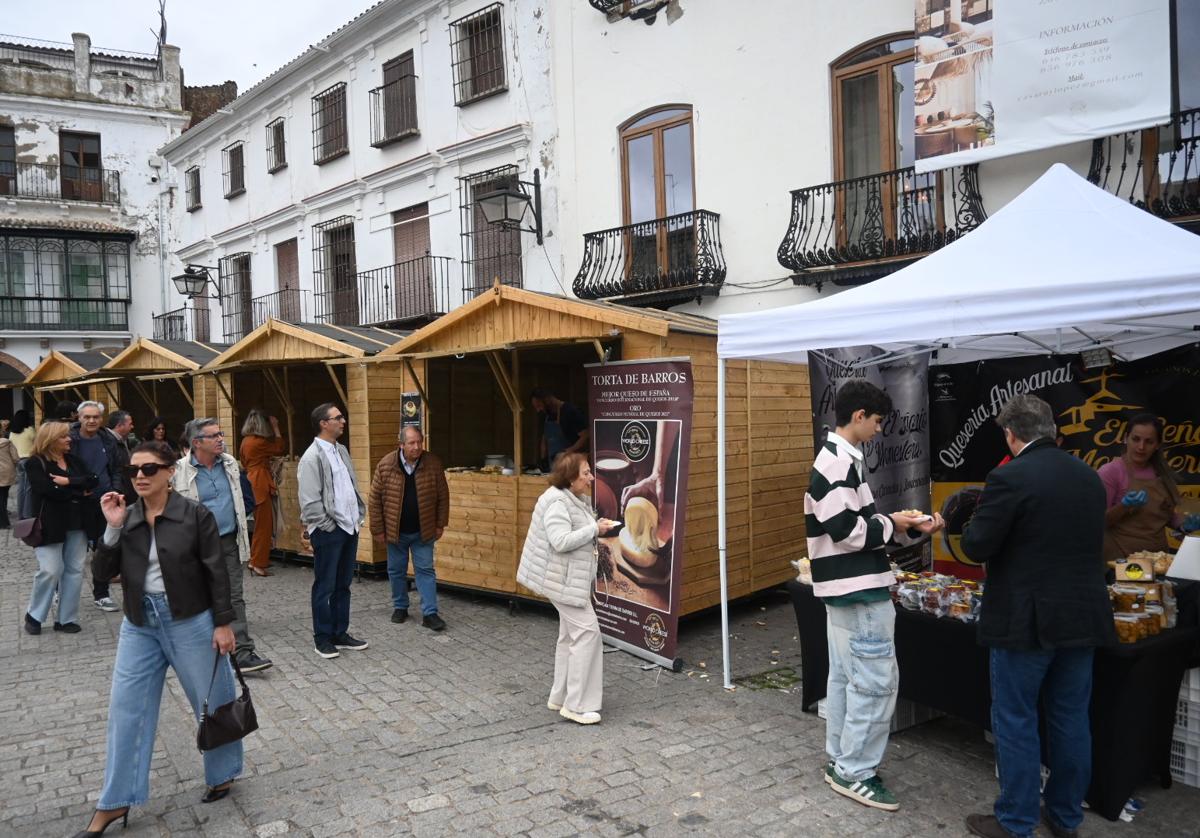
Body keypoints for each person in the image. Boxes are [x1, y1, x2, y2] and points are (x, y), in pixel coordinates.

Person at [961, 394, 1116, 838]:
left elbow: (977, 545)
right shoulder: (1089, 477)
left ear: (1011, 435)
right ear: (1052, 430)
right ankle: (1065, 817)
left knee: (1016, 719)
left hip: (1026, 621)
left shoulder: (1009, 476)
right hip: (1082, 615)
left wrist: (967, 524)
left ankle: (1016, 821)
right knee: (1071, 718)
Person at [74, 441, 242, 836]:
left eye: (149, 468)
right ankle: (115, 801)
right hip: (139, 623)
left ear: (170, 471)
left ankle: (222, 773)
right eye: (133, 470)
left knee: (214, 698)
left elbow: (216, 571)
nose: (140, 476)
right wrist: (112, 527)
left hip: (190, 619)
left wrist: (223, 623)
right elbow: (102, 573)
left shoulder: (195, 514)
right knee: (126, 708)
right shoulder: (128, 516)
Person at [804, 380, 943, 812]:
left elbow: (851, 526)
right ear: (859, 415)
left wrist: (898, 523)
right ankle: (853, 771)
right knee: (875, 685)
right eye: (878, 421)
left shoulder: (840, 460)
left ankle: (842, 761)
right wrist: (894, 523)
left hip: (850, 590)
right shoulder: (835, 463)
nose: (880, 429)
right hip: (859, 591)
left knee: (848, 680)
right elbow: (847, 531)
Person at [517, 453, 616, 725]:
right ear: (571, 478)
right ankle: (577, 706)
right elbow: (560, 541)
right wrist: (594, 529)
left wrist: (595, 527)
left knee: (570, 636)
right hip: (562, 582)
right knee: (588, 633)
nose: (591, 477)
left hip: (566, 580)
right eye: (586, 473)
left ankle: (560, 697)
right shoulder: (557, 502)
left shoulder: (570, 497)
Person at [172, 419, 273, 674]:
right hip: (196, 545)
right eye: (214, 436)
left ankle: (243, 652)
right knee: (200, 596)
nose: (220, 439)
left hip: (228, 540)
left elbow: (244, 496)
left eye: (221, 434)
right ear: (197, 442)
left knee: (234, 597)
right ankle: (205, 653)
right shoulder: (178, 471)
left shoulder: (229, 463)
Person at [298, 403, 368, 660]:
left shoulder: (341, 450)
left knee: (343, 584)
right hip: (329, 530)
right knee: (325, 586)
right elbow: (309, 501)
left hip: (349, 527)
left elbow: (349, 486)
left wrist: (357, 517)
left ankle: (340, 632)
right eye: (338, 418)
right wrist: (328, 526)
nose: (343, 421)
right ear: (323, 424)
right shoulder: (311, 457)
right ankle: (322, 638)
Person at [369, 426, 450, 631]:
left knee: (425, 570)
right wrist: (377, 529)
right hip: (395, 531)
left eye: (419, 442)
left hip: (424, 530)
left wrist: (440, 524)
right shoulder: (386, 465)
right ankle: (400, 607)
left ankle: (430, 613)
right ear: (401, 445)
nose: (417, 447)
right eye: (412, 443)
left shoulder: (433, 463)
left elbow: (443, 496)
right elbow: (374, 499)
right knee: (396, 571)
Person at [22, 421, 99, 635]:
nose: (69, 439)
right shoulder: (35, 463)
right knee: (50, 570)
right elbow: (46, 490)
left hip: (78, 523)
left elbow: (93, 480)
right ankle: (34, 615)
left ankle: (66, 619)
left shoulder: (74, 460)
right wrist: (78, 490)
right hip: (49, 525)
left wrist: (67, 482)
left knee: (74, 571)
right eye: (64, 436)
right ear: (51, 440)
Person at [1098, 413, 1198, 561]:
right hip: (1121, 561)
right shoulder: (1110, 472)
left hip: (1159, 560)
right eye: (1136, 439)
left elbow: (1166, 514)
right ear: (1126, 438)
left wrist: (1184, 526)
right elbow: (1098, 522)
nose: (1141, 447)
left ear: (1157, 445)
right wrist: (1124, 506)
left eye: (1149, 441)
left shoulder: (1162, 474)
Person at [70, 401, 123, 613]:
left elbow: (116, 469)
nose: (91, 420)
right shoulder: (69, 439)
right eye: (87, 417)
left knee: (104, 550)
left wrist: (116, 490)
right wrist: (76, 490)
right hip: (77, 503)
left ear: (101, 418)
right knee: (72, 551)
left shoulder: (108, 439)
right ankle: (60, 591)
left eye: (96, 417)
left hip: (105, 501)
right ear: (79, 418)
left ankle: (101, 594)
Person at [239, 409, 286, 577]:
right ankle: (257, 563)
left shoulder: (245, 441)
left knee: (260, 524)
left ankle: (257, 559)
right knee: (264, 526)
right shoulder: (259, 442)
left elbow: (244, 462)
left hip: (251, 480)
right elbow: (279, 447)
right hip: (260, 482)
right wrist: (276, 427)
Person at [531, 387, 589, 467]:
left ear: (547, 400)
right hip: (554, 466)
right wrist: (543, 459)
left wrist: (567, 451)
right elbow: (545, 439)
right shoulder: (547, 415)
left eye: (539, 406)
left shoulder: (570, 411)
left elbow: (585, 436)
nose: (538, 410)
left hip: (570, 465)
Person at [105, 410, 138, 506]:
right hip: (117, 495)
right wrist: (116, 490)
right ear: (119, 426)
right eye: (130, 424)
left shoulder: (123, 440)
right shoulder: (109, 442)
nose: (132, 427)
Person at [0, 426, 19, 528]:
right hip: (6, 473)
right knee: (3, 496)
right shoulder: (7, 442)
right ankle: (4, 523)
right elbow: (15, 458)